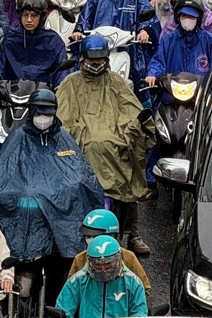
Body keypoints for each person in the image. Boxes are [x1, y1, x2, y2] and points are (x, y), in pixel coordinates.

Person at [0, 88, 104, 293]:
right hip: (29, 213)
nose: (43, 118)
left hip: (64, 214)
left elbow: (81, 174)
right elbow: (2, 176)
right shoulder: (19, 137)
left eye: (48, 114)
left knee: (63, 268)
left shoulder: (63, 138)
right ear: (31, 113)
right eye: (39, 113)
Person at [57, 36, 155, 255]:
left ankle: (132, 232)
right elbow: (62, 117)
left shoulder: (116, 82)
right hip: (82, 146)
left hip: (116, 145)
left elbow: (132, 111)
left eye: (100, 59)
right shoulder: (71, 83)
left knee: (129, 165)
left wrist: (130, 130)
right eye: (92, 60)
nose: (96, 64)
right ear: (82, 59)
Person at [53, 234, 147, 318]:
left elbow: (139, 314)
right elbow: (64, 309)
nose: (103, 270)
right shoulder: (77, 281)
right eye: (98, 265)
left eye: (108, 264)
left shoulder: (133, 283)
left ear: (118, 259)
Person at [0, 0, 68, 92]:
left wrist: (61, 83)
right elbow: (0, 63)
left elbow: (62, 65)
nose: (29, 20)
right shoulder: (10, 38)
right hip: (13, 91)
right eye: (25, 15)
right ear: (19, 16)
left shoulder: (53, 40)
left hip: (43, 94)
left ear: (41, 17)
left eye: (34, 15)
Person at [146, 0, 212, 87]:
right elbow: (158, 61)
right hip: (172, 93)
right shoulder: (169, 40)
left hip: (200, 93)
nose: (187, 19)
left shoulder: (210, 41)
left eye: (191, 16)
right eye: (184, 15)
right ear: (178, 17)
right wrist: (152, 75)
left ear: (198, 19)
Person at [67, 208, 150, 289]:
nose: (92, 241)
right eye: (88, 236)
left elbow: (143, 287)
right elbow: (70, 288)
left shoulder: (128, 257)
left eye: (96, 237)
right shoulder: (80, 259)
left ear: (112, 236)